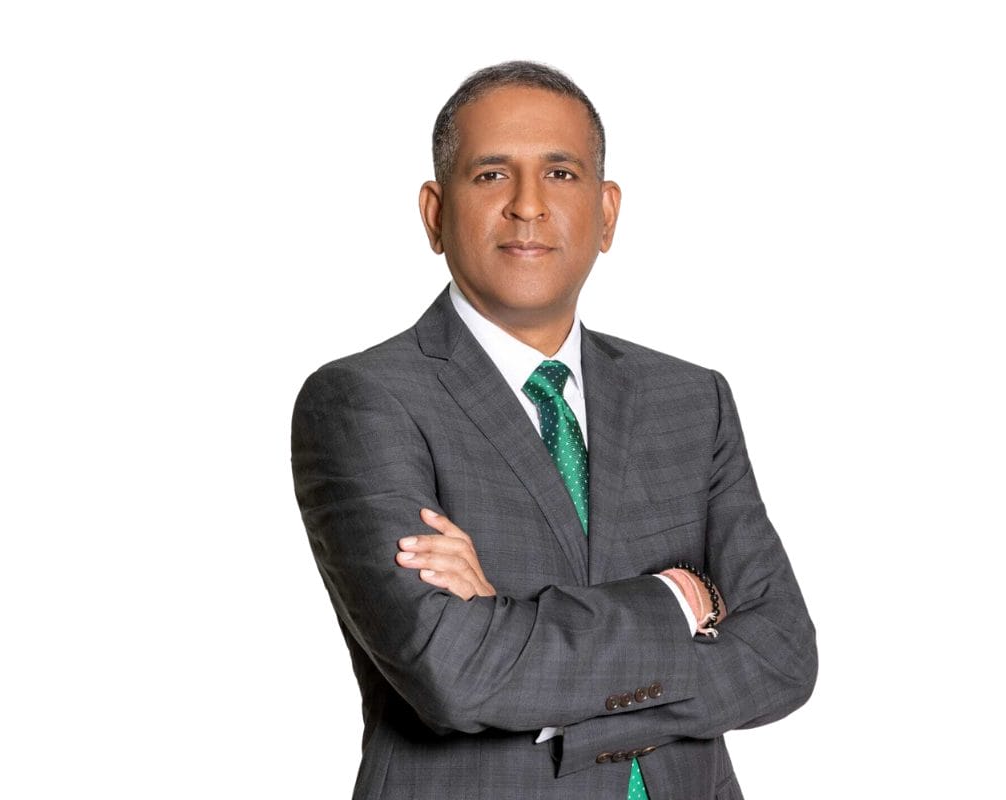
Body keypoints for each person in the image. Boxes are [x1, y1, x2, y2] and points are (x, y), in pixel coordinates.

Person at [291, 60, 816, 800]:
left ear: (607, 213)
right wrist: (678, 600)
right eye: (491, 175)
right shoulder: (363, 402)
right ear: (435, 214)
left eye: (561, 174)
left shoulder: (691, 400)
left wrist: (510, 627)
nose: (529, 206)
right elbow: (456, 673)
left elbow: (782, 654)